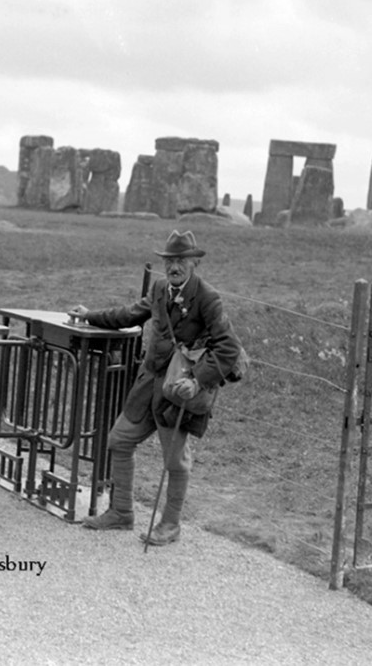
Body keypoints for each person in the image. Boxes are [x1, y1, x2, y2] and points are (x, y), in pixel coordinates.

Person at [69, 230, 246, 545]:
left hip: (178, 391)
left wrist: (196, 381)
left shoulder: (207, 298)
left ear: (193, 263)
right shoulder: (161, 289)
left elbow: (228, 348)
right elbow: (130, 314)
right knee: (119, 440)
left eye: (181, 260)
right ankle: (121, 512)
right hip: (148, 385)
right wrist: (90, 316)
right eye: (169, 260)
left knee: (174, 460)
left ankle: (170, 525)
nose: (174, 266)